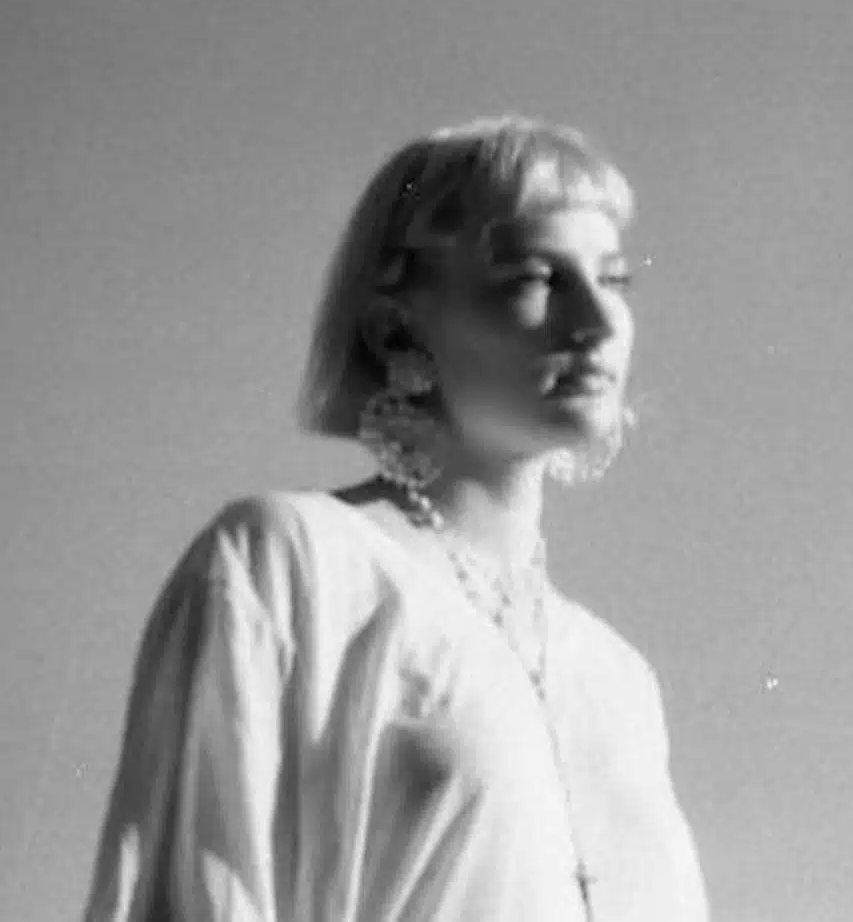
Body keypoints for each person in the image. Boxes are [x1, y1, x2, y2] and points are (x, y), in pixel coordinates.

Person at [83, 115, 711, 921]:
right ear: (394, 327)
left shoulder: (618, 678)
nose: (596, 320)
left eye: (614, 279)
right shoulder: (292, 563)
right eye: (535, 279)